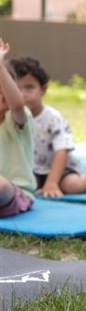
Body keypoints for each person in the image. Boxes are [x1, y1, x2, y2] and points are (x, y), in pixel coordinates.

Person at [10, 56, 86, 197]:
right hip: (31, 171)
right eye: (16, 88)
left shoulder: (53, 118)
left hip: (61, 170)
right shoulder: (10, 117)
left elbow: (61, 151)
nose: (22, 94)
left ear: (43, 89)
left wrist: (52, 182)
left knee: (73, 186)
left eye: (29, 87)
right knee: (17, 187)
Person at [0, 38, 36, 218]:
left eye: (4, 90)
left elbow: (17, 106)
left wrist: (0, 67)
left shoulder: (18, 119)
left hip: (15, 193)